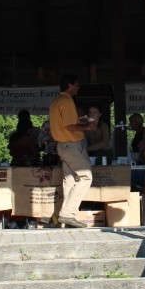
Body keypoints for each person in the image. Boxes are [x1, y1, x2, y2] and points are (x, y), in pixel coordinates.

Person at [49, 73, 96, 228]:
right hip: (72, 145)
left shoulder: (56, 101)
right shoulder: (67, 101)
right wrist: (87, 126)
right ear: (69, 85)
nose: (78, 87)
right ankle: (68, 214)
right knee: (86, 177)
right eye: (76, 84)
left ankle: (66, 218)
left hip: (62, 145)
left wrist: (81, 121)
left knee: (70, 179)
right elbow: (69, 126)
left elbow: (66, 123)